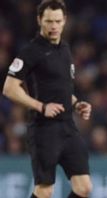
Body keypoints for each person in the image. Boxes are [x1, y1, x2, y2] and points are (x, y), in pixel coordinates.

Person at [2, 0, 92, 197]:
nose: (53, 26)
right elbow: (9, 88)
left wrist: (77, 104)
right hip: (44, 129)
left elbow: (61, 89)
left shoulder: (65, 49)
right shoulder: (31, 52)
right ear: (39, 20)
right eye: (49, 21)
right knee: (44, 191)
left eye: (58, 21)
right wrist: (41, 106)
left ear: (64, 21)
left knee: (84, 187)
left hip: (68, 127)